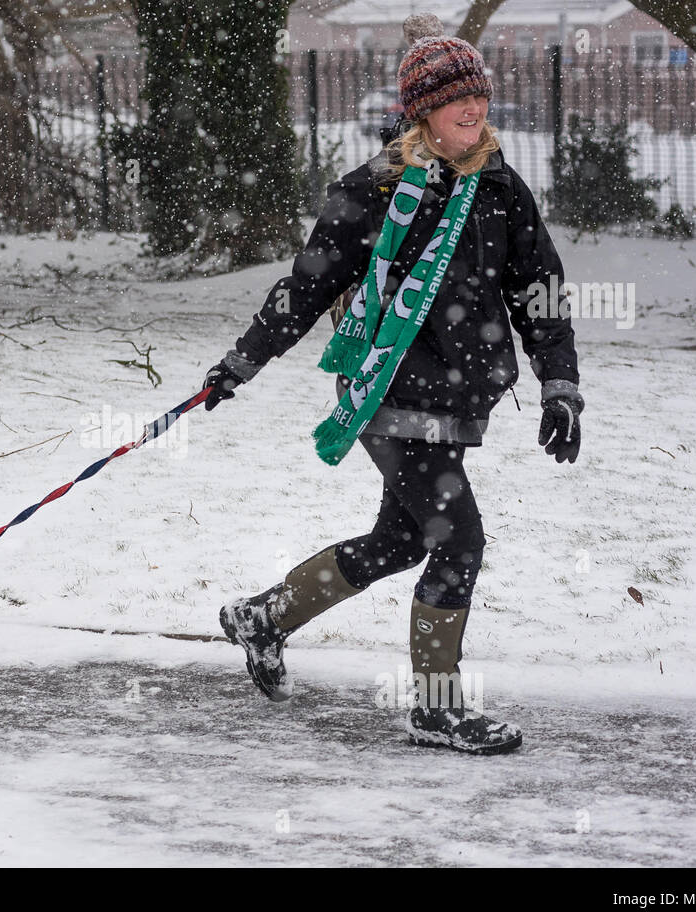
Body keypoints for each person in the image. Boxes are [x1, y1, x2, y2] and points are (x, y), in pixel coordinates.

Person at [201, 13, 583, 755]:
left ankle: (264, 617)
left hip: (460, 395)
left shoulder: (501, 188)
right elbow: (304, 290)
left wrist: (560, 385)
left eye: (479, 98)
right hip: (388, 395)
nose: (473, 111)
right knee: (459, 540)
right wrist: (241, 363)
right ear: (420, 112)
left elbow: (540, 290)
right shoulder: (374, 192)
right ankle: (436, 707)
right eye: (454, 101)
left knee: (400, 540)